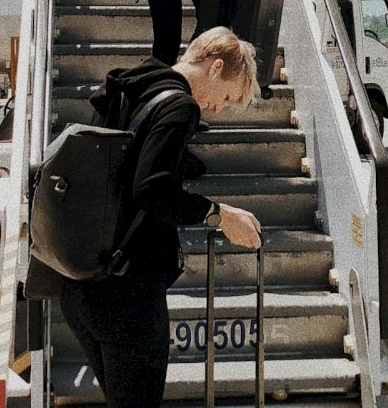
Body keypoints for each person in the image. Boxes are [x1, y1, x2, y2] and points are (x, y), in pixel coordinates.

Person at [60, 27, 263, 408]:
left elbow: (123, 168)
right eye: (227, 97)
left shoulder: (136, 87)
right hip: (127, 293)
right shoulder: (179, 106)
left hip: (82, 284)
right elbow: (151, 190)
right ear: (215, 67)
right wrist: (219, 214)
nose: (218, 108)